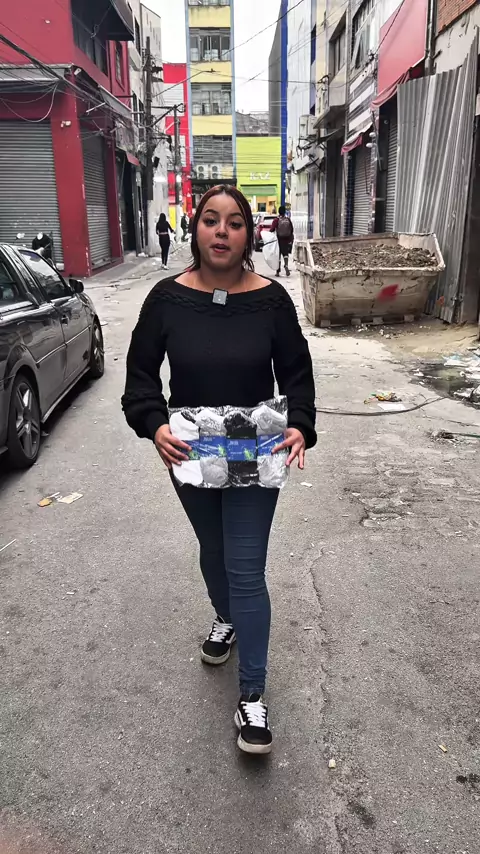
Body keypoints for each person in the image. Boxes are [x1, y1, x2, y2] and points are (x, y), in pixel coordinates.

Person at [122, 185, 316, 755]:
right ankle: (226, 617)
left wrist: (300, 423)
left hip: (255, 450)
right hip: (193, 454)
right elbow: (139, 375)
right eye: (211, 220)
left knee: (246, 568)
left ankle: (252, 695)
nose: (222, 231)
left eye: (234, 222)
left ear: (248, 234)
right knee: (214, 552)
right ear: (197, 229)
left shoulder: (272, 301)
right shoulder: (165, 299)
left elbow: (298, 374)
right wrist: (153, 423)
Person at [270, 205, 294, 278]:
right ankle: (286, 265)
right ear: (284, 212)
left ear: (279, 212)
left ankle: (278, 271)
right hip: (286, 239)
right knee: (285, 254)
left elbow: (272, 229)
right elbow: (292, 229)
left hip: (279, 239)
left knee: (278, 255)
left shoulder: (276, 220)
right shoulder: (288, 219)